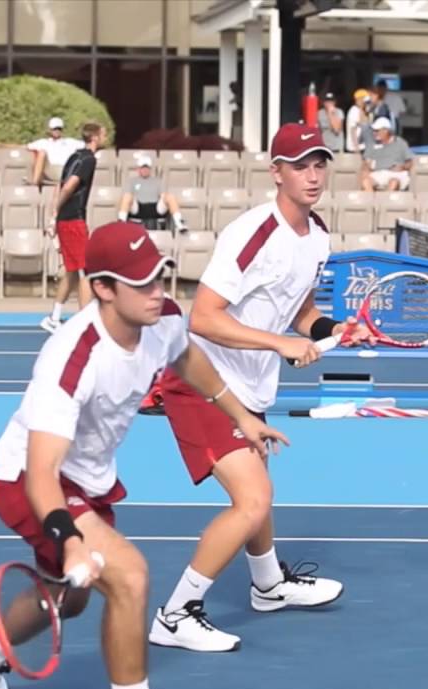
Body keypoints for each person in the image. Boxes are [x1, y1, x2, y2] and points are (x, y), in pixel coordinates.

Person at [0, 221, 291, 689]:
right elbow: (41, 472)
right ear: (103, 289)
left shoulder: (164, 319)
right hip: (29, 478)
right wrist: (69, 539)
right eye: (141, 283)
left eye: (159, 276)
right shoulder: (71, 359)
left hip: (88, 477)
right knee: (129, 577)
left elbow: (187, 358)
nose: (157, 292)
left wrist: (239, 415)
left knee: (69, 598)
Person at [147, 124, 374, 653]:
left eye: (319, 164)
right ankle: (175, 614)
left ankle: (268, 586)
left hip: (250, 388)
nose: (312, 175)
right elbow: (203, 318)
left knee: (258, 495)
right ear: (276, 172)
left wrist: (331, 329)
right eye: (299, 166)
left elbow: (299, 309)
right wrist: (280, 344)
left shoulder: (317, 236)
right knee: (253, 501)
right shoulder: (251, 234)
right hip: (202, 381)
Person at [42, 122, 107, 334]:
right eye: (103, 134)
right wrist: (55, 213)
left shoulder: (74, 155)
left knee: (71, 270)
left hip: (66, 220)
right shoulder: (89, 159)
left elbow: (60, 185)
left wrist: (54, 215)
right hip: (73, 220)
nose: (105, 137)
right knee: (86, 271)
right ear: (95, 137)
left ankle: (54, 317)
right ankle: (85, 321)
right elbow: (69, 186)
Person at [117, 155, 189, 233]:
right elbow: (126, 198)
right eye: (143, 168)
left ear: (150, 169)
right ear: (138, 169)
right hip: (138, 208)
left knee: (170, 196)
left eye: (147, 168)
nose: (145, 170)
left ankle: (179, 223)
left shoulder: (158, 181)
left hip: (155, 208)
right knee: (127, 196)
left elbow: (163, 196)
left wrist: (164, 199)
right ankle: (121, 224)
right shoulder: (131, 181)